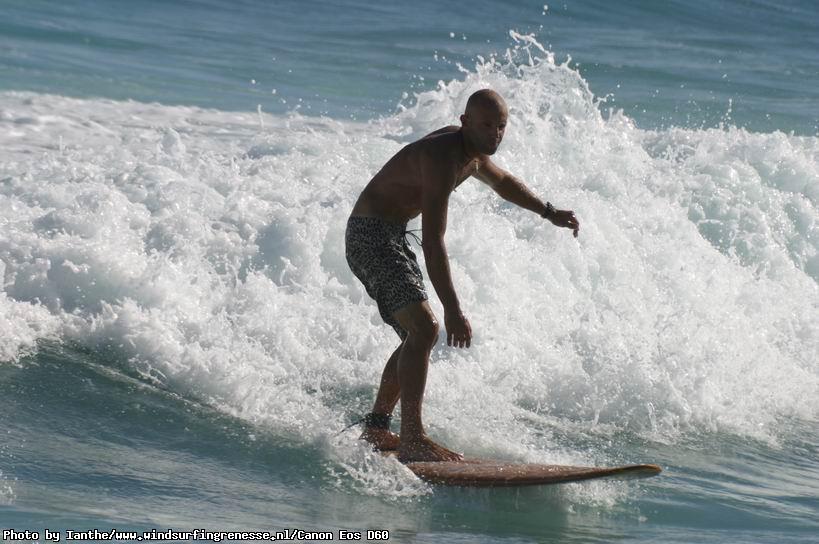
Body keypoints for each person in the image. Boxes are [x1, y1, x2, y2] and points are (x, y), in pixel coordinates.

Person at [345, 89, 580, 462]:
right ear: (464, 122)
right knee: (425, 329)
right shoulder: (442, 157)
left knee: (416, 335)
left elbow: (503, 182)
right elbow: (433, 241)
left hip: (389, 234)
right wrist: (453, 310)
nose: (495, 135)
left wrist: (548, 212)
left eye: (501, 126)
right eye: (486, 125)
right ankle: (412, 438)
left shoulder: (473, 154)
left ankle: (377, 427)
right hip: (369, 236)